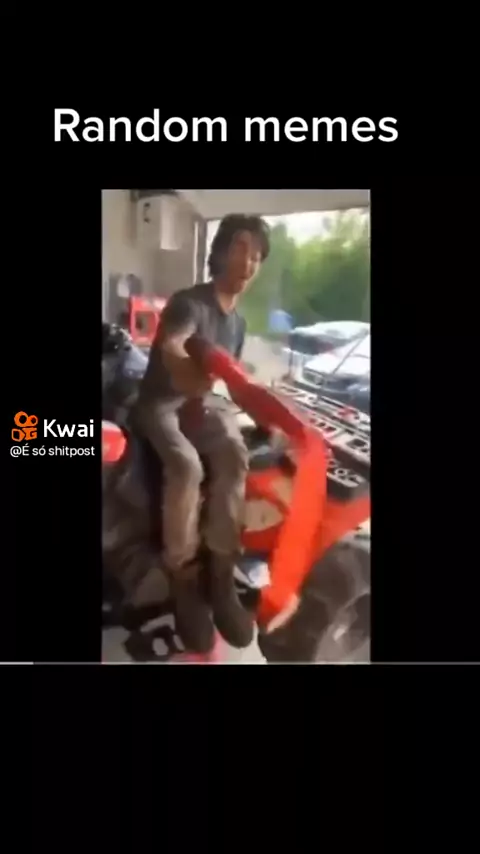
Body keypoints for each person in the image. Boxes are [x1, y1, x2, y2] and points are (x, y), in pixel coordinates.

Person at [134, 214, 271, 652]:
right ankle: (183, 576)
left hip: (200, 405)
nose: (248, 261)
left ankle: (221, 573)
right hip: (160, 402)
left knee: (234, 450)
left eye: (257, 255)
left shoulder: (238, 324)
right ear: (221, 251)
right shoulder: (189, 303)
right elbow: (173, 346)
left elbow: (230, 380)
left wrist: (264, 414)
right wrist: (188, 369)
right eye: (240, 248)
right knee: (187, 466)